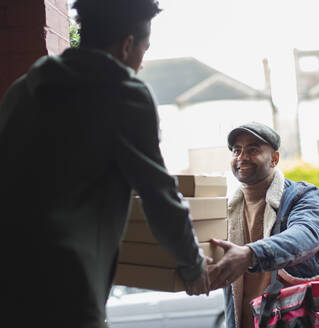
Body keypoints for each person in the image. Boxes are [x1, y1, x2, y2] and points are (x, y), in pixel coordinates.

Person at [0, 0, 209, 326]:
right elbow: (160, 196)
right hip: (65, 292)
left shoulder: (21, 91)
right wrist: (194, 267)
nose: (141, 64)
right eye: (144, 49)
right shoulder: (123, 94)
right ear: (127, 46)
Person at [209, 122, 319, 328]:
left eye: (253, 149)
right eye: (237, 150)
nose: (242, 157)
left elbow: (307, 235)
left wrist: (251, 254)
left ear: (274, 159)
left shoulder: (300, 195)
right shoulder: (226, 210)